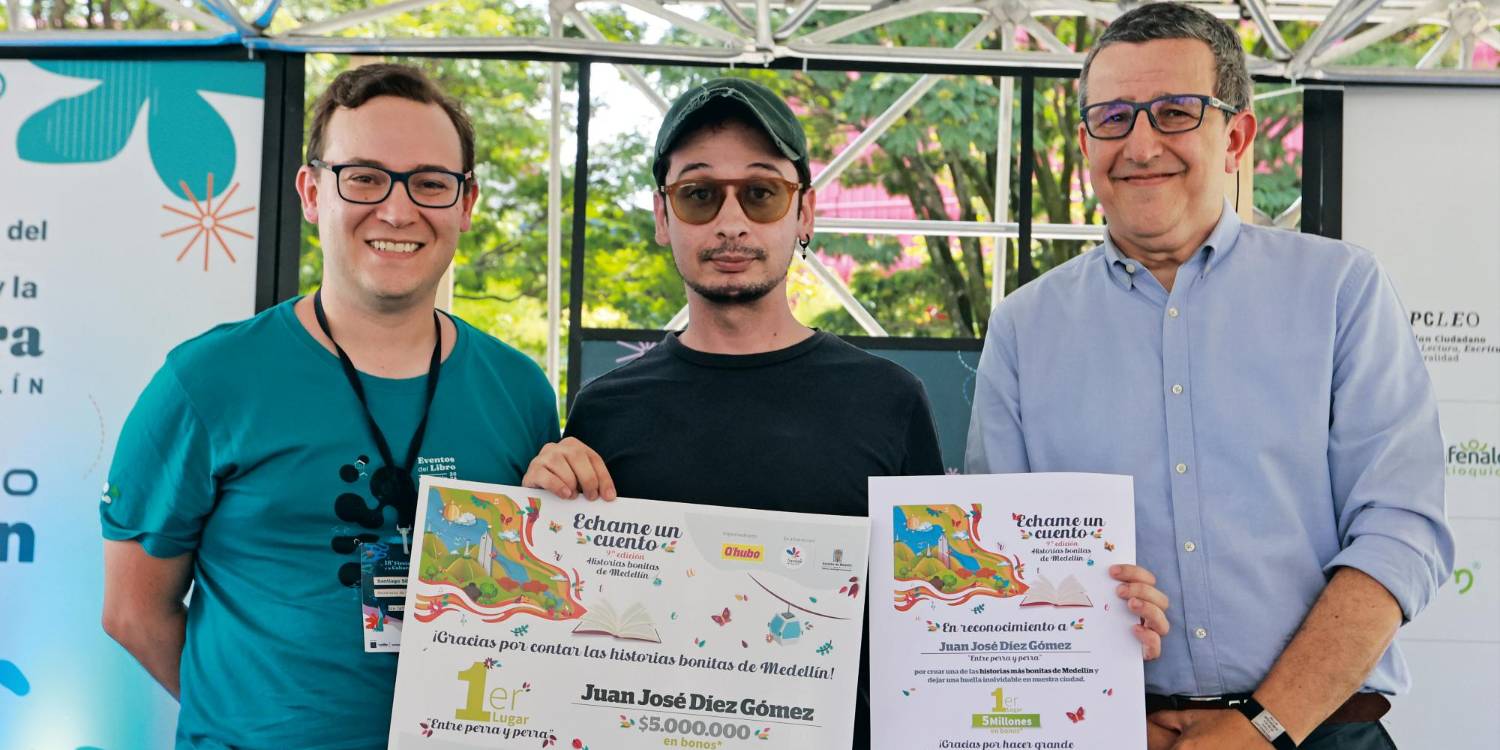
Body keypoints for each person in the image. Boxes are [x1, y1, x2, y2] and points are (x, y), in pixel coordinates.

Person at [523, 77, 1170, 749]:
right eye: (698, 194)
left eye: (762, 192)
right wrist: (540, 512)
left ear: (805, 215)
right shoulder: (605, 409)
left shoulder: (887, 399)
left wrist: (1090, 624)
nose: (731, 220)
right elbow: (568, 627)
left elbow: (939, 606)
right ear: (663, 217)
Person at [965, 4, 1454, 749]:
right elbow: (1001, 570)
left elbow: (1398, 536)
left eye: (1173, 112)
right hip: (1111, 733)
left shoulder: (1340, 291)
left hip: (1321, 731)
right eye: (1113, 117)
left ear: (1236, 136)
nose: (1140, 142)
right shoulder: (1024, 329)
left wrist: (1261, 725)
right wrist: (1117, 721)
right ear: (1086, 141)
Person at [99, 64, 559, 749]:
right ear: (313, 193)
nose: (399, 210)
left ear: (465, 204)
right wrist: (246, 723)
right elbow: (133, 612)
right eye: (365, 177)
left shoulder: (520, 391)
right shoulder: (206, 381)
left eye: (431, 183)